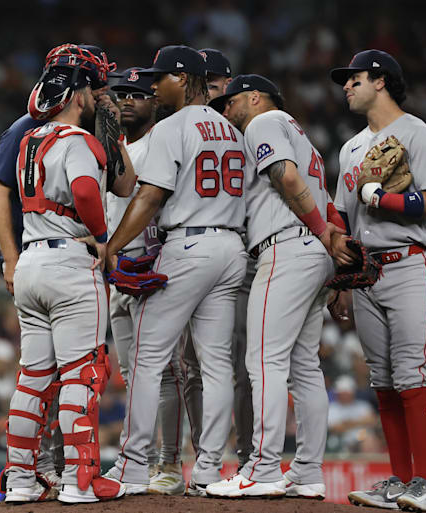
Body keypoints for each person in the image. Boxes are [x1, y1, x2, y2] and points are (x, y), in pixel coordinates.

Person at [103, 45, 247, 496]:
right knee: (216, 363)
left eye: (160, 78)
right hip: (231, 246)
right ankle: (208, 470)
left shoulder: (171, 127)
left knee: (146, 358)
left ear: (182, 79)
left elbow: (150, 196)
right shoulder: (232, 130)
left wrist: (112, 246)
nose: (154, 86)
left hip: (188, 244)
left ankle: (131, 464)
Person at [0, 43, 128, 498]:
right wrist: (102, 236)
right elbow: (86, 191)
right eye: (93, 88)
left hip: (32, 261)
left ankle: (21, 480)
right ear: (79, 93)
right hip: (69, 262)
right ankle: (79, 480)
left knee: (33, 378)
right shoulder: (77, 139)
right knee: (82, 374)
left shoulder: (30, 138)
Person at [204, 74, 339, 499]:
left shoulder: (264, 123)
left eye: (231, 101)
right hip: (311, 252)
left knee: (264, 361)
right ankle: (308, 471)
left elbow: (287, 178)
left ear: (255, 98)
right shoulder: (300, 133)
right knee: (304, 366)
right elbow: (324, 199)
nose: (226, 109)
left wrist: (321, 231)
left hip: (288, 245)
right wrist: (327, 239)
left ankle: (263, 468)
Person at [328, 49, 426, 512]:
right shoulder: (350, 148)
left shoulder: (419, 134)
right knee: (381, 378)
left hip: (410, 262)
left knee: (409, 372)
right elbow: (343, 217)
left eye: (355, 78)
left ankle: (425, 484)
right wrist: (341, 279)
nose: (347, 86)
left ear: (381, 81)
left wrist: (385, 199)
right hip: (366, 270)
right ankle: (398, 481)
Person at [105, 66, 185, 495]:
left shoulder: (164, 138)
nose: (127, 101)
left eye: (136, 94)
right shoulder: (110, 146)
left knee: (164, 371)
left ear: (155, 100)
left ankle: (169, 462)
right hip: (115, 268)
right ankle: (144, 462)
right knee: (131, 371)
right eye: (121, 94)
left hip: (151, 265)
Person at [179, 47, 255, 475]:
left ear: (228, 85)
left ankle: (245, 458)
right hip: (196, 249)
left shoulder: (250, 129)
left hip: (242, 251)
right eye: (200, 85)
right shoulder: (184, 128)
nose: (206, 94)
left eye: (212, 85)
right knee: (193, 365)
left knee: (241, 364)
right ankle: (203, 458)